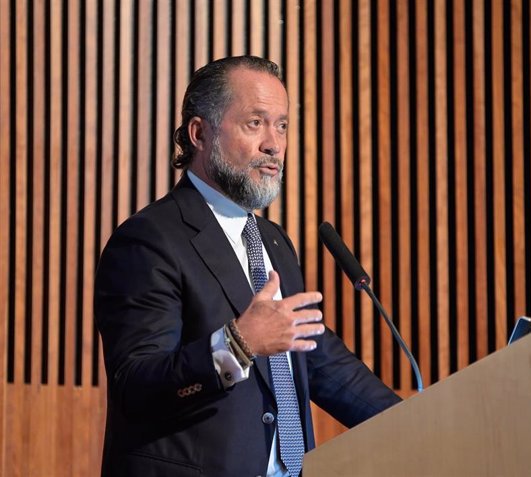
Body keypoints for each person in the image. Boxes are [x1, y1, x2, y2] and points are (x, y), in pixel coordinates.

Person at [94, 55, 401, 477]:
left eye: (282, 125)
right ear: (200, 133)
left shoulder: (273, 242)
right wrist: (235, 346)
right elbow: (136, 386)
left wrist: (418, 420)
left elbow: (322, 362)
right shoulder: (150, 240)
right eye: (255, 123)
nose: (274, 144)